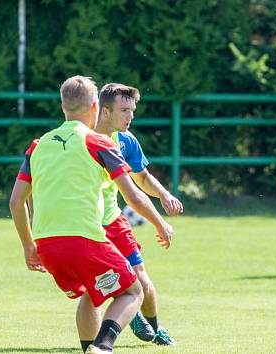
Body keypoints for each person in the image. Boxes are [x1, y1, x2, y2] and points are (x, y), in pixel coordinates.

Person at [8, 75, 174, 354]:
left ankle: (89, 350)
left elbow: (15, 202)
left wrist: (28, 246)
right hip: (85, 239)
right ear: (96, 106)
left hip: (47, 245)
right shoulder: (99, 143)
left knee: (90, 292)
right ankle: (104, 346)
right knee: (133, 291)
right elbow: (132, 195)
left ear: (63, 106)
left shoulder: (37, 145)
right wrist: (159, 223)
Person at [95, 82, 183, 345]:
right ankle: (114, 323)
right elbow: (132, 196)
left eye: (132, 110)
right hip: (85, 223)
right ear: (104, 110)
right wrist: (159, 222)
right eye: (124, 110)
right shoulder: (82, 137)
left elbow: (141, 178)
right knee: (100, 282)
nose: (130, 116)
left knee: (142, 278)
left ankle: (155, 330)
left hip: (112, 219)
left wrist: (165, 194)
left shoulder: (126, 141)